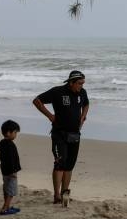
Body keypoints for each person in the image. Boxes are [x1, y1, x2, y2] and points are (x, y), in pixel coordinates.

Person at [33, 70, 89, 207]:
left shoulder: (82, 92)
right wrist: (50, 116)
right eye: (79, 83)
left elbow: (86, 104)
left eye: (83, 83)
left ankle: (65, 193)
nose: (81, 86)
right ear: (71, 82)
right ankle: (56, 195)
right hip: (59, 134)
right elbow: (37, 101)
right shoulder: (57, 92)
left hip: (75, 134)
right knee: (60, 163)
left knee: (70, 165)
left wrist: (83, 117)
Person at [0, 120, 22, 215]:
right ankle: (5, 209)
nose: (16, 135)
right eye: (15, 132)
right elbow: (11, 159)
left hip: (4, 171)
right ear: (8, 133)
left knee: (7, 189)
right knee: (11, 190)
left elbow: (2, 158)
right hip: (11, 172)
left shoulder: (2, 143)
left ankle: (6, 206)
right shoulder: (10, 145)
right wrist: (13, 172)